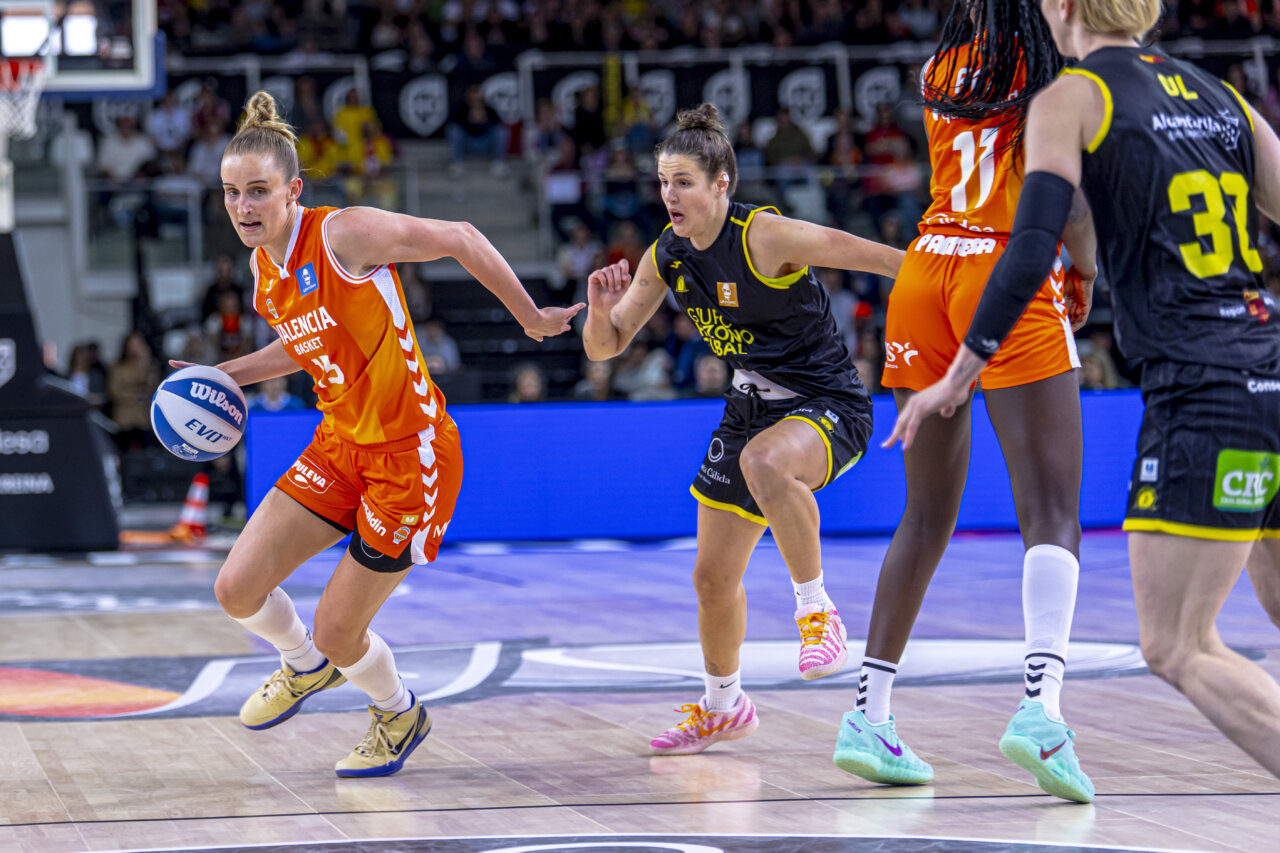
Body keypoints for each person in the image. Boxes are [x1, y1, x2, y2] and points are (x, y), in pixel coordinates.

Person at [887, 0, 1280, 782]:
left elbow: (1033, 245)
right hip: (1269, 362)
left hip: (1206, 389)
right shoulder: (1221, 96)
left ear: (1063, 8)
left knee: (1178, 644)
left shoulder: (1071, 97)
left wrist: (959, 374)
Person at [179, 92, 581, 778]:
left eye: (258, 191)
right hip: (341, 443)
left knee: (341, 632)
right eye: (231, 193)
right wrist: (224, 374)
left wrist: (530, 316)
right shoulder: (262, 267)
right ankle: (303, 665)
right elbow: (307, 342)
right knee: (236, 588)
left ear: (293, 191)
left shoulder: (345, 235)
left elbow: (462, 236)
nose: (243, 206)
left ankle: (398, 712)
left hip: (410, 453)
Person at [832, 0, 1100, 804]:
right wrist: (1085, 268)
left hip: (925, 270)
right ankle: (1042, 712)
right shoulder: (1054, 75)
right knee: (1051, 511)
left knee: (924, 515)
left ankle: (868, 714)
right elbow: (1068, 203)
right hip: (1002, 268)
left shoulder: (941, 67)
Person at [583, 104, 903, 755]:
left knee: (765, 463)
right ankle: (724, 705)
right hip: (749, 409)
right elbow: (606, 346)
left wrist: (976, 288)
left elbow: (880, 257)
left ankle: (818, 613)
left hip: (828, 401)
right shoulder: (667, 253)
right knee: (711, 578)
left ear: (721, 182)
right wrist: (596, 308)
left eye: (683, 181)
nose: (669, 195)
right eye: (663, 182)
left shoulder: (765, 235)